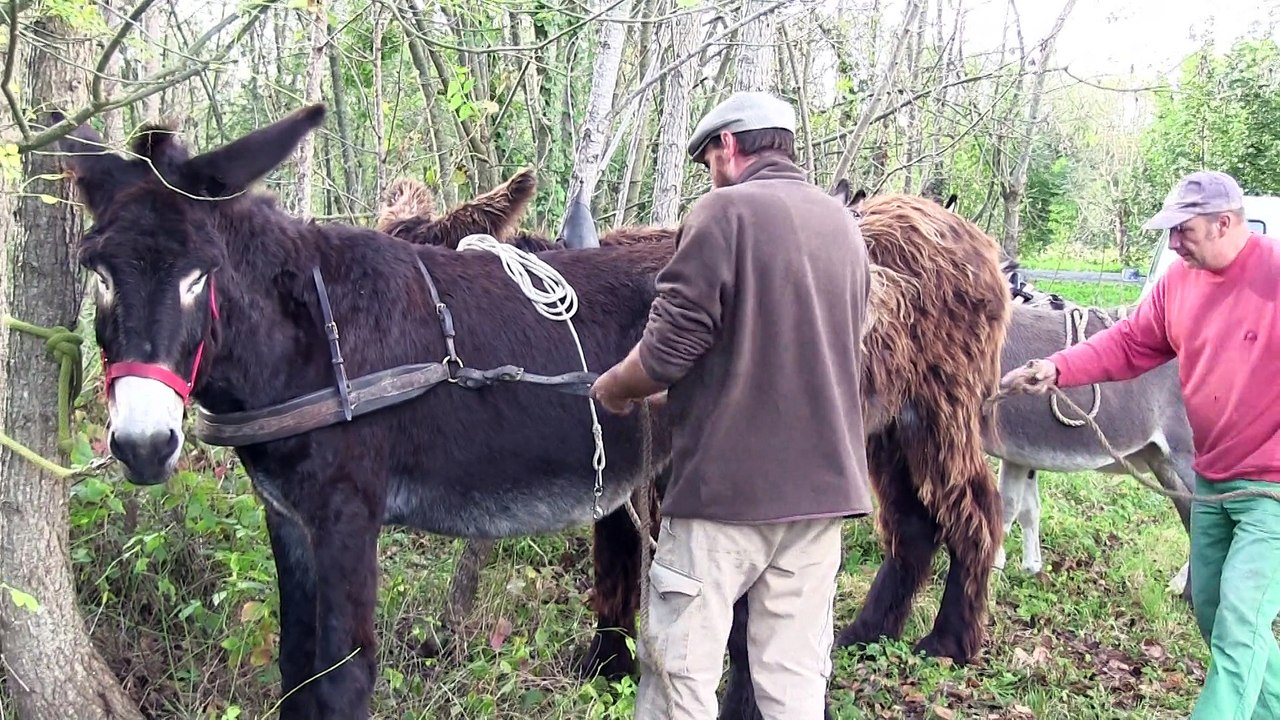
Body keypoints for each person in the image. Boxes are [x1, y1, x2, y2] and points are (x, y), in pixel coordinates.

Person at [588, 90, 873, 719]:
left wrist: (614, 388)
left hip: (723, 498)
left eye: (709, 158)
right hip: (822, 498)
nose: (710, 173)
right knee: (793, 681)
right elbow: (800, 353)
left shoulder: (723, 213)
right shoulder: (843, 227)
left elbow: (666, 350)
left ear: (730, 145)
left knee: (679, 674)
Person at [1000, 170, 1280, 720]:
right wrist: (1058, 366)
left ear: (1225, 223)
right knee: (1211, 608)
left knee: (1239, 623)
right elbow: (1131, 343)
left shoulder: (1273, 277)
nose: (1173, 242)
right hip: (1215, 483)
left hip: (1270, 493)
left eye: (1184, 230)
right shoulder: (1178, 282)